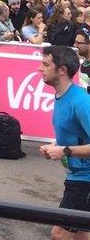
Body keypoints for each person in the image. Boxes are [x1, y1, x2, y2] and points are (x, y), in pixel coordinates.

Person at [39, 45, 90, 240]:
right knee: (81, 235)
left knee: (59, 234)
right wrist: (56, 145)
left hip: (85, 181)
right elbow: (77, 134)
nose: (39, 68)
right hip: (77, 177)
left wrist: (65, 151)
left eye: (45, 64)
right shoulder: (62, 96)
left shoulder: (81, 101)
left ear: (62, 70)